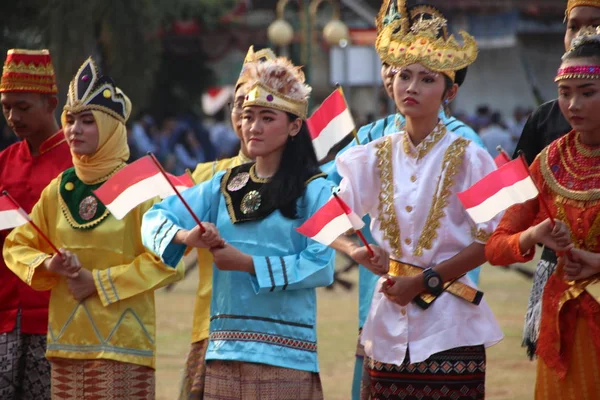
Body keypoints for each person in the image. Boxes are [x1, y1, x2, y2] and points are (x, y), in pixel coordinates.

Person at [331, 3, 503, 398]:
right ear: (390, 82)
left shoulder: (470, 156)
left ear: (450, 91)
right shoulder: (373, 153)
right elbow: (332, 213)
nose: (411, 87)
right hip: (388, 323)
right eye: (404, 75)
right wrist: (354, 249)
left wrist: (425, 281)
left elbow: (491, 240)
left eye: (427, 79)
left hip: (451, 325)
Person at [142, 56, 334, 399]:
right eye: (247, 116)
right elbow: (155, 217)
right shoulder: (223, 185)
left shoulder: (314, 189)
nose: (253, 127)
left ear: (293, 125)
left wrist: (246, 263)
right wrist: (189, 236)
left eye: (266, 118)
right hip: (224, 352)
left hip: (286, 356)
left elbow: (321, 264)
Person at [3, 57, 183, 399]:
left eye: (88, 121)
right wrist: (48, 265)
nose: (74, 130)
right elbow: (17, 245)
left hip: (124, 346)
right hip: (67, 347)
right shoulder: (59, 189)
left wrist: (98, 283)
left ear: (112, 127)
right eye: (70, 120)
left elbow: (167, 257)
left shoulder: (139, 186)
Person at [486, 26, 600, 398]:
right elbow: (496, 246)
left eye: (587, 93)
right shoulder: (549, 161)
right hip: (563, 326)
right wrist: (534, 235)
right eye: (565, 94)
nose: (573, 105)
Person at [177, 45, 276, 400]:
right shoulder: (207, 178)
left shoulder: (304, 185)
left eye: (264, 110)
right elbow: (156, 226)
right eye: (240, 105)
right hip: (213, 334)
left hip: (281, 337)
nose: (249, 118)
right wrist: (183, 235)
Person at [509, 0, 600, 360]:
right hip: (560, 275)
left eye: (596, 25)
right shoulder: (545, 120)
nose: (584, 35)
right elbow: (516, 208)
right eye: (574, 26)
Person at [0, 49, 72, 399]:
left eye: (23, 107)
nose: (12, 117)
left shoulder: (79, 166)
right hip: (3, 314)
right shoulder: (4, 162)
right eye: (6, 107)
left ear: (51, 104)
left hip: (54, 318)